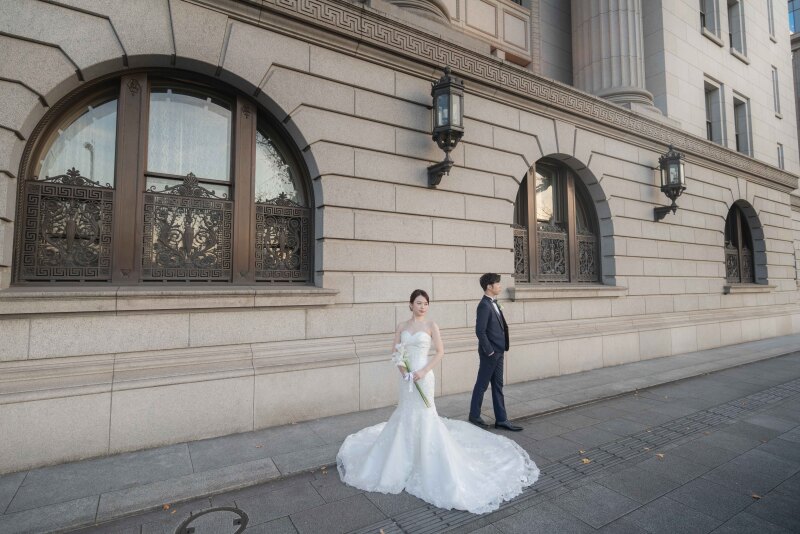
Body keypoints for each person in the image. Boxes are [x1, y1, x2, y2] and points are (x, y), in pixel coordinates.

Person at [336, 289, 538, 514]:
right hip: (407, 380)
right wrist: (405, 373)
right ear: (410, 304)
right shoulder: (402, 327)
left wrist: (422, 372)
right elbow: (395, 353)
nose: (423, 306)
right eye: (419, 303)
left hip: (424, 377)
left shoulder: (432, 326)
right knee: (405, 412)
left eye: (426, 303)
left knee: (426, 414)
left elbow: (440, 352)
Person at [469, 273, 523, 431]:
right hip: (490, 354)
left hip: (499, 351)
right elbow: (480, 331)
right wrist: (490, 351)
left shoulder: (494, 303)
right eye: (497, 284)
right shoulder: (484, 305)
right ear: (489, 287)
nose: (500, 286)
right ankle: (474, 415)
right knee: (482, 384)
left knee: (498, 385)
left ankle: (501, 419)